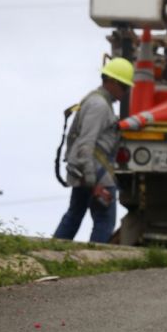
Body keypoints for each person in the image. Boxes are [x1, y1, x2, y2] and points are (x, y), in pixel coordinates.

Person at [53, 56, 134, 243]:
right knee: (104, 221)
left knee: (74, 215)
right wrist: (92, 180)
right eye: (124, 86)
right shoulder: (99, 106)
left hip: (85, 169)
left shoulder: (96, 102)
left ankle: (55, 251)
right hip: (94, 172)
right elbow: (86, 143)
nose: (126, 91)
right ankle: (96, 259)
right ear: (111, 81)